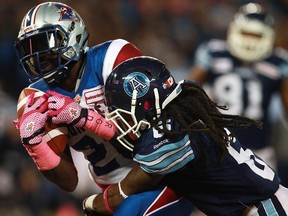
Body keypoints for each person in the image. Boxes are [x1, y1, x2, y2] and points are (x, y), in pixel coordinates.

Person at [14, 2, 194, 215]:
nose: (38, 56)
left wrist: (85, 118)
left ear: (73, 34)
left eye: (46, 43)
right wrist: (37, 147)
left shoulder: (112, 57)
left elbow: (155, 135)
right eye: (31, 48)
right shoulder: (34, 98)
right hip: (113, 191)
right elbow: (69, 181)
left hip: (161, 172)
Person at [68, 56, 288, 215]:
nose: (119, 120)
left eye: (122, 111)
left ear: (146, 103)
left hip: (266, 209)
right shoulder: (180, 116)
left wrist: (88, 204)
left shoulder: (172, 136)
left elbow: (119, 197)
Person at [187, 2, 288, 171]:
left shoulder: (279, 63)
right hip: (218, 146)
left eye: (256, 35)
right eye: (246, 33)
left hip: (259, 152)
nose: (250, 40)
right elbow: (188, 93)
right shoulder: (214, 52)